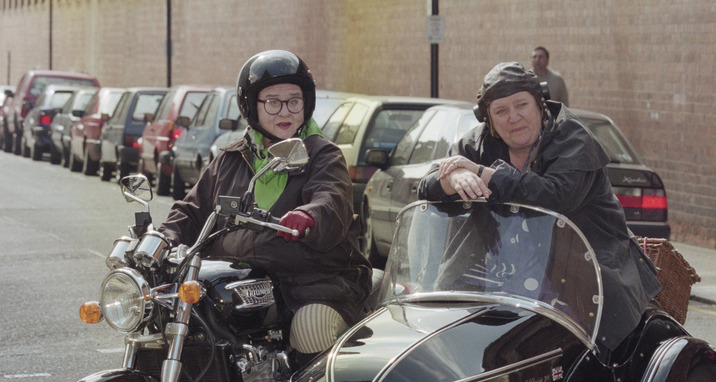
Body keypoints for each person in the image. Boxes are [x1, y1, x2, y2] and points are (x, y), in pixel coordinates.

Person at [417, 61, 660, 354]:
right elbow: (425, 186)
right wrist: (453, 176)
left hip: (579, 280)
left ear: (540, 106)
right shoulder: (477, 144)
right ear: (489, 120)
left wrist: (484, 175)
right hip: (495, 281)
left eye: (521, 105)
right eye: (501, 111)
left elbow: (554, 196)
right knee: (446, 351)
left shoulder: (573, 138)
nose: (514, 117)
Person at [158, 50, 372, 364]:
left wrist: (308, 215)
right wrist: (162, 240)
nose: (284, 111)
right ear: (251, 106)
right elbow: (192, 210)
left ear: (306, 104)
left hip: (313, 284)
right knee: (189, 327)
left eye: (294, 101)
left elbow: (333, 200)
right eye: (272, 101)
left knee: (312, 327)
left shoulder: (323, 154)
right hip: (242, 285)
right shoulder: (231, 158)